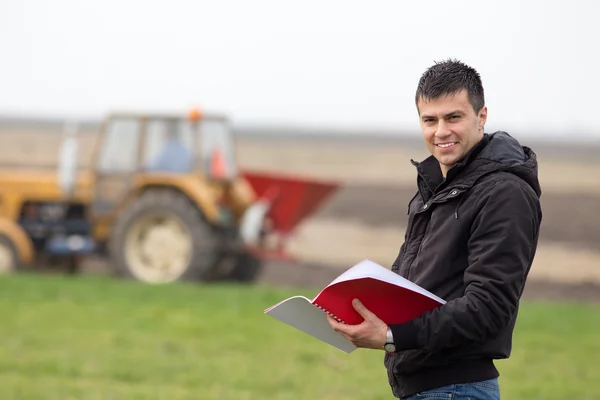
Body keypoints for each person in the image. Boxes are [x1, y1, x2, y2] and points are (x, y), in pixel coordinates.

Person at [327, 59, 543, 399]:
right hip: (428, 388)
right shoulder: (437, 188)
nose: (441, 131)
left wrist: (391, 336)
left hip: (455, 388)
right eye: (430, 120)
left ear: (481, 116)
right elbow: (422, 287)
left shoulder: (504, 193)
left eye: (453, 117)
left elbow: (488, 307)